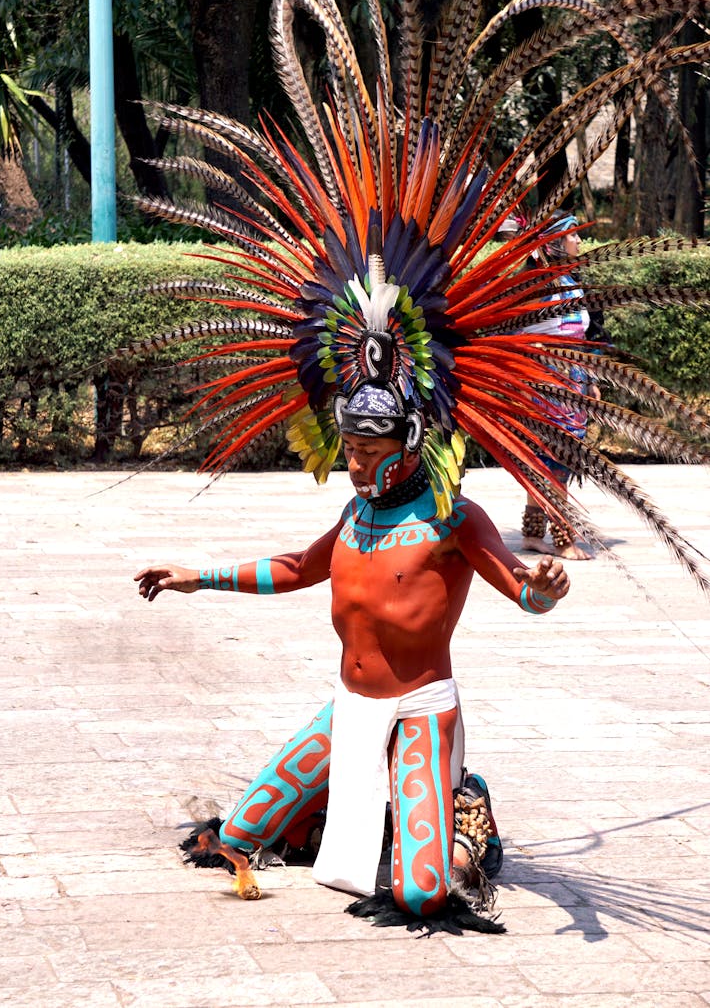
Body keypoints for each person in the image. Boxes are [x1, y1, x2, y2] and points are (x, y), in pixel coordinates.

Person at [135, 382, 570, 925]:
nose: (355, 466)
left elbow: (524, 591)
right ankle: (350, 814)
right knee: (235, 836)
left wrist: (545, 589)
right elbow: (297, 568)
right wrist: (198, 578)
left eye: (368, 453)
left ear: (409, 444)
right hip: (349, 711)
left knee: (421, 896)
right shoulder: (354, 513)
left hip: (420, 713)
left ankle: (467, 813)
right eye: (349, 450)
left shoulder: (455, 517)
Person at [511, 215, 602, 560]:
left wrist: (589, 379)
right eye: (573, 237)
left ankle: (533, 534)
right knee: (554, 459)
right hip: (544, 385)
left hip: (571, 383)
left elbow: (581, 338)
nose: (578, 244)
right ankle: (563, 538)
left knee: (555, 458)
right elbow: (516, 337)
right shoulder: (534, 286)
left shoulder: (570, 282)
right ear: (554, 243)